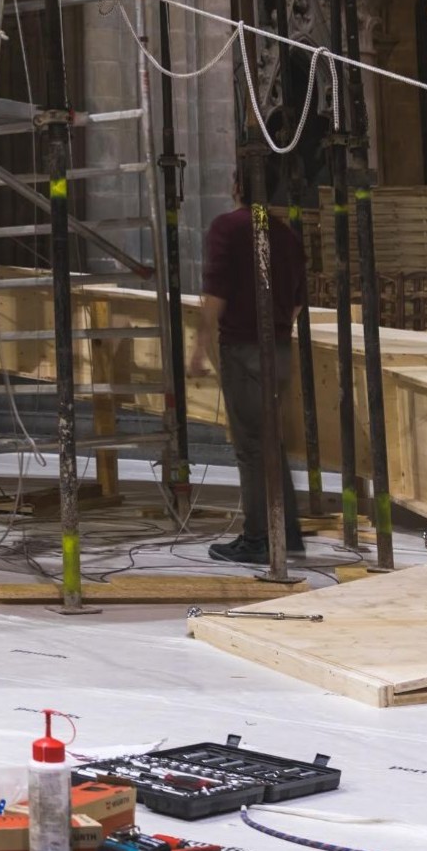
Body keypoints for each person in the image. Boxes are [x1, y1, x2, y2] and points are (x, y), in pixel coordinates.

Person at [191, 176, 305, 565]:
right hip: (281, 348)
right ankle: (286, 533)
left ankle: (258, 537)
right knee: (270, 441)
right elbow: (297, 302)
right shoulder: (287, 235)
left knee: (252, 448)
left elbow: (216, 294)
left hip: (244, 348)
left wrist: (199, 346)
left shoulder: (230, 227)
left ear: (236, 185)